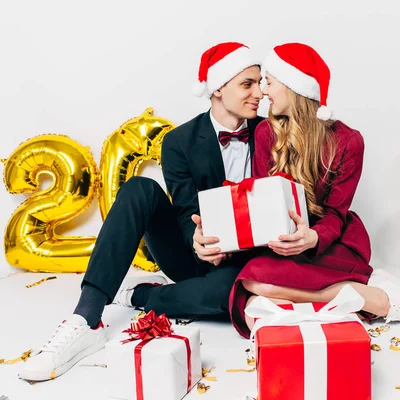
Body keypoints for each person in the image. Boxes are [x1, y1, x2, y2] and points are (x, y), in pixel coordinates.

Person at [19, 42, 264, 381]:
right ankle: (85, 318)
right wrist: (196, 237)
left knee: (230, 294)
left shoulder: (273, 132)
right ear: (219, 87)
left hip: (248, 261)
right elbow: (184, 208)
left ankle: (143, 294)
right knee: (140, 188)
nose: (259, 93)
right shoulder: (179, 140)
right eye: (248, 84)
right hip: (193, 255)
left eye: (260, 83)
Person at [229, 43, 400, 338]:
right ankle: (345, 295)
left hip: (330, 240)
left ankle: (329, 297)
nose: (263, 91)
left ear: (292, 87)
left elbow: (335, 213)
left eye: (269, 82)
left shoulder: (348, 141)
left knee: (259, 292)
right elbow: (263, 199)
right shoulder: (266, 133)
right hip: (285, 244)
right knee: (252, 284)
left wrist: (312, 237)